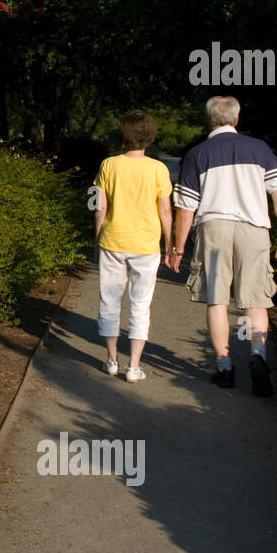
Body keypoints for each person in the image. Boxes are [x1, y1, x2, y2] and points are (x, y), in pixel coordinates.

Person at [166, 96, 277, 396]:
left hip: (214, 230)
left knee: (217, 299)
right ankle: (258, 356)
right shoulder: (260, 149)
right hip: (254, 229)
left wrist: (177, 248)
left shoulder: (196, 154)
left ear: (209, 121)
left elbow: (186, 208)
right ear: (236, 120)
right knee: (256, 299)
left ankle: (224, 368)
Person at [93, 110, 173, 382]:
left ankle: (112, 360)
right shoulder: (158, 169)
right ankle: (134, 366)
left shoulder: (108, 165)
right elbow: (165, 212)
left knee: (110, 300)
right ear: (150, 137)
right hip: (146, 244)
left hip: (113, 240)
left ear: (123, 135)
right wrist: (171, 243)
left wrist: (97, 238)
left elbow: (99, 207)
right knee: (140, 304)